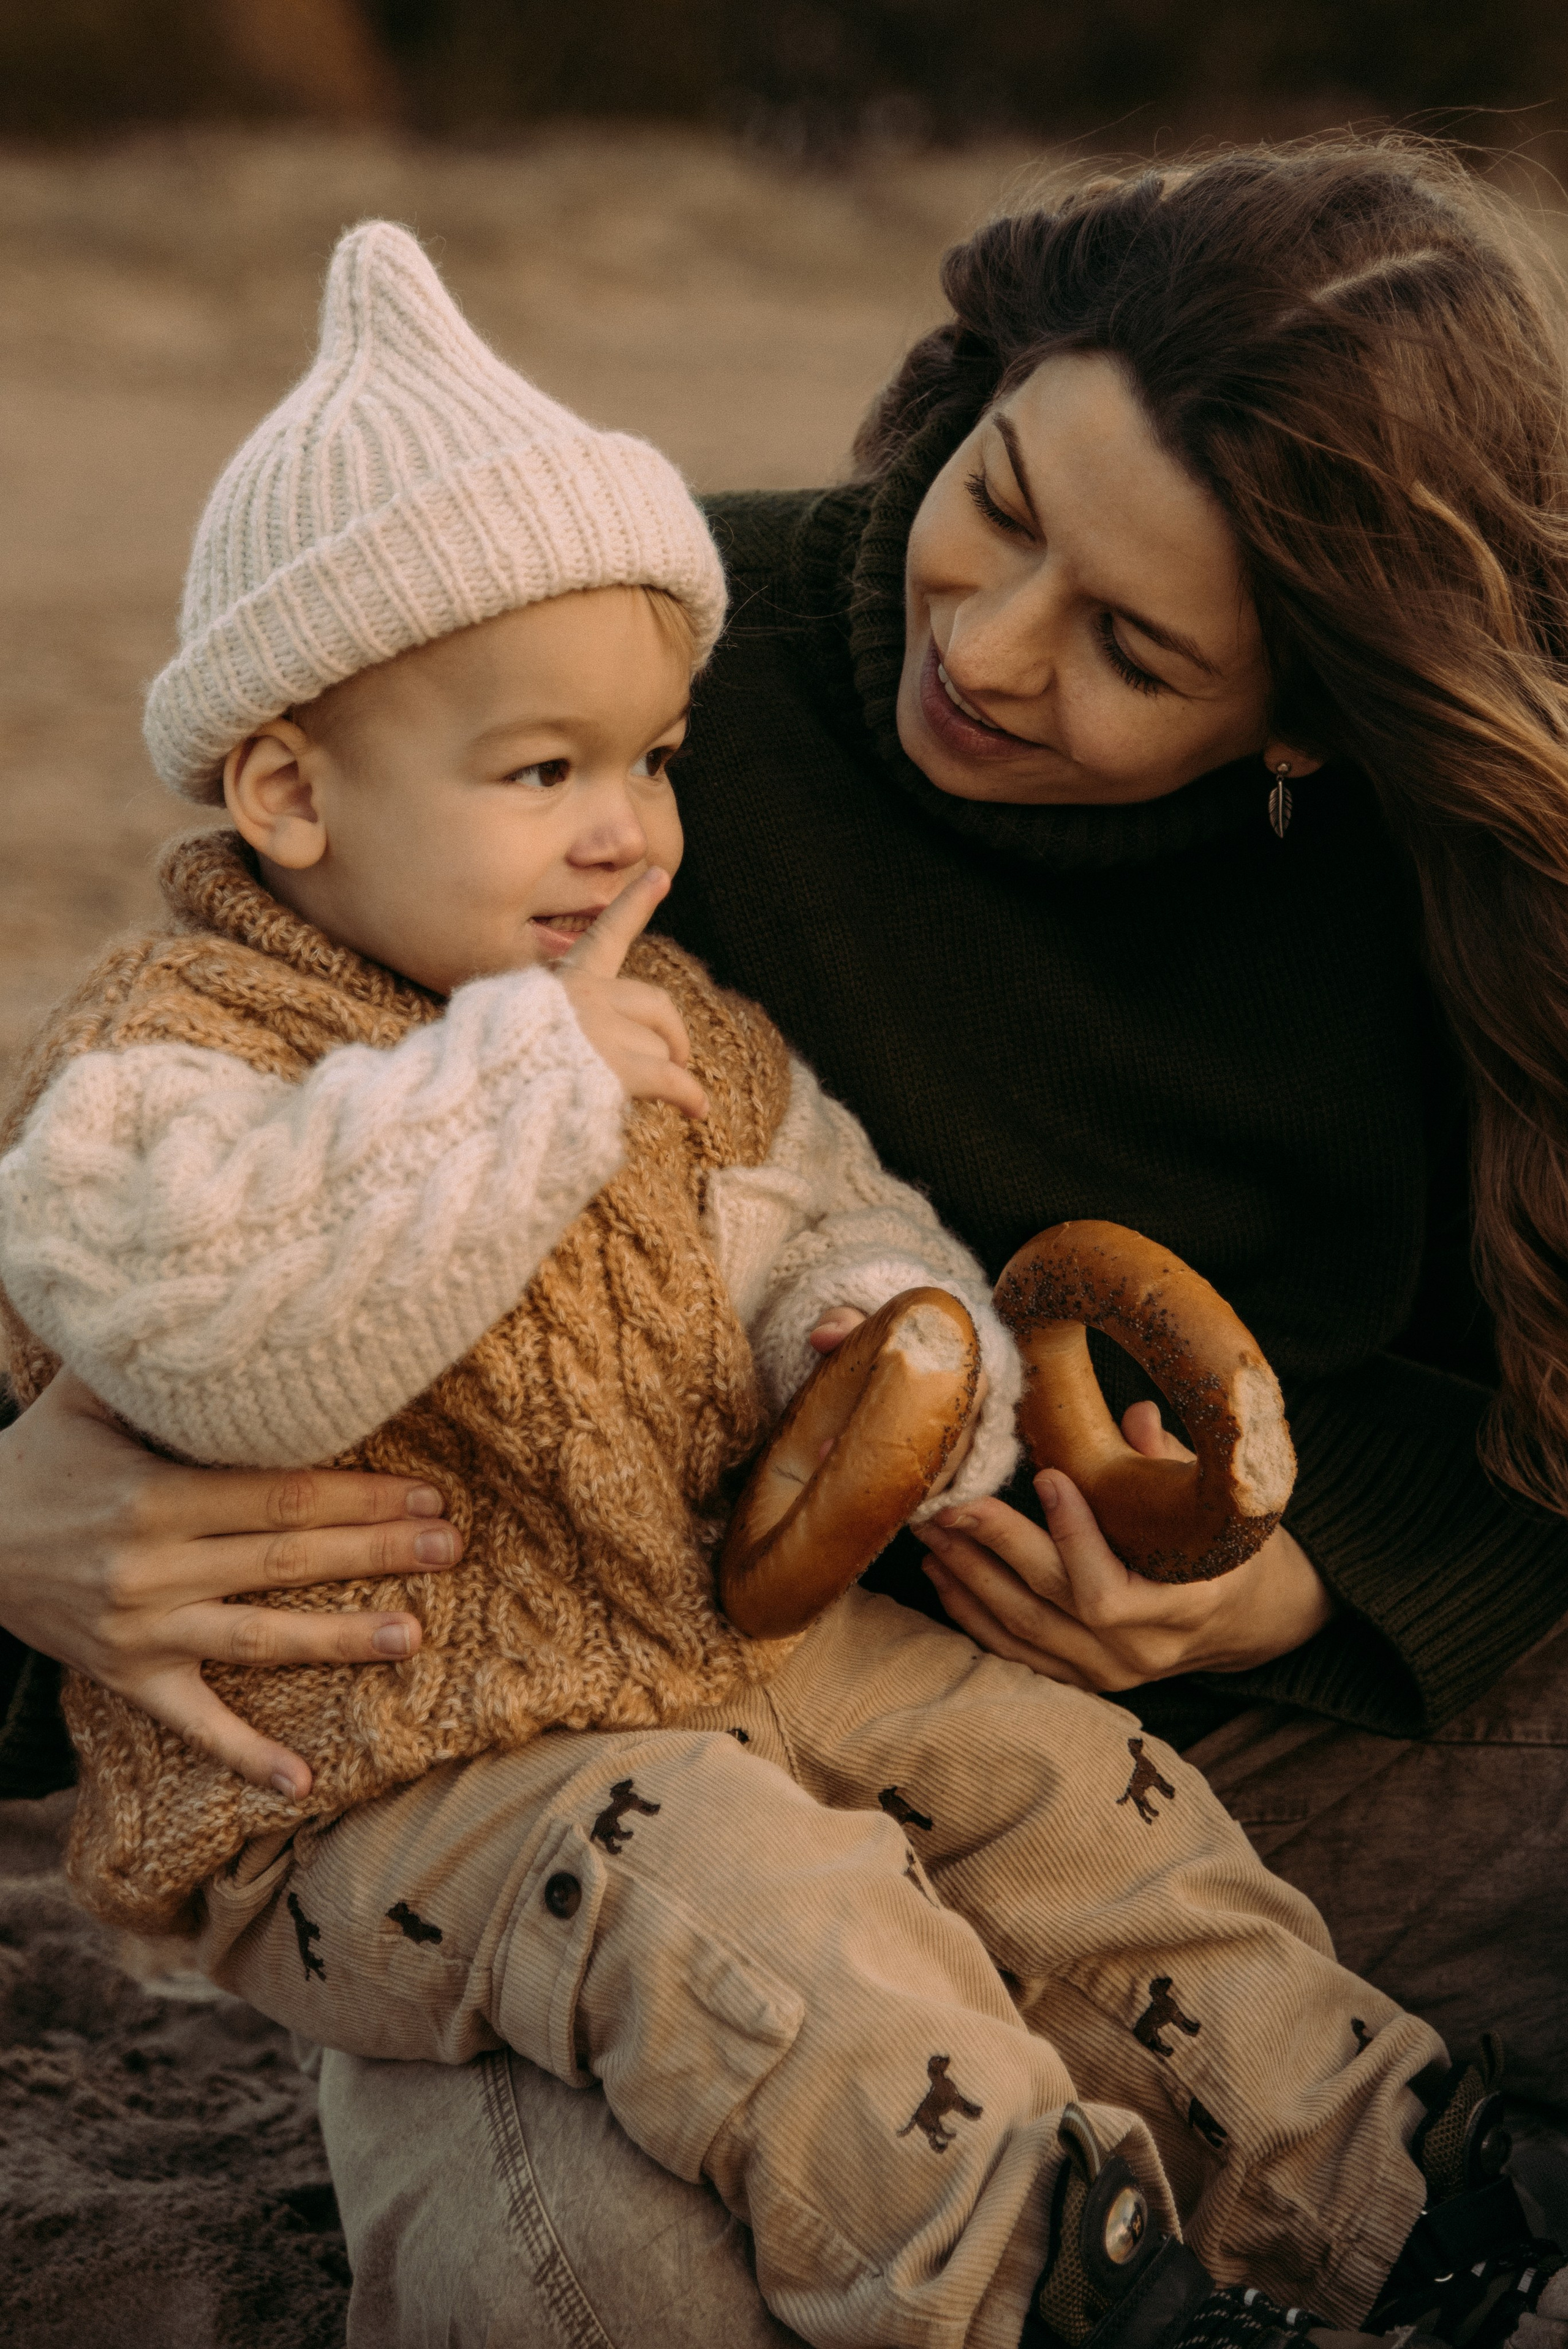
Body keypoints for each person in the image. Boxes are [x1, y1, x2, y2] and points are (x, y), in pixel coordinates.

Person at [3, 134, 1568, 2346]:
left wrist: (1278, 1581)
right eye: (1001, 502)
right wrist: (15, 1520)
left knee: (1093, 1831)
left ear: (1308, 714)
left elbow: (830, 1215)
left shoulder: (1437, 880)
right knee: (635, 2242)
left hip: (1083, 1725)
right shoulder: (575, 691)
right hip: (500, 1757)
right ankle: (1060, 2275)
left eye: (1131, 644)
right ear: (977, 382)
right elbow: (153, 1198)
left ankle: (1421, 2216)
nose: (996, 649)